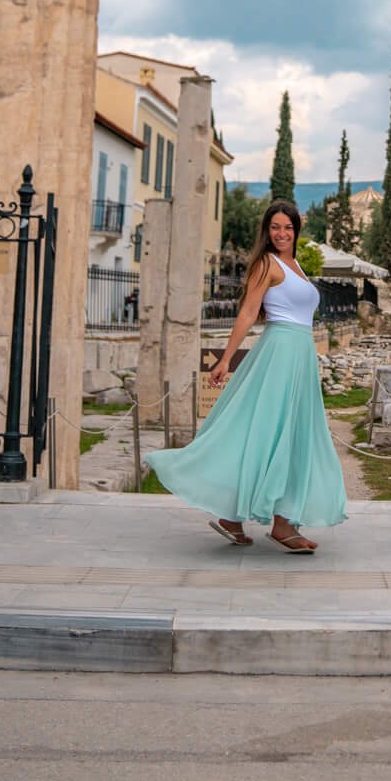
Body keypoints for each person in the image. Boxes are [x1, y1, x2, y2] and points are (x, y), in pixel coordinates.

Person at [145, 199, 347, 553]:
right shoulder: (266, 264)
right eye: (275, 228)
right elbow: (248, 313)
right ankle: (248, 517)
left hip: (300, 357)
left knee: (293, 436)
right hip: (279, 355)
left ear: (297, 229)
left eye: (287, 227)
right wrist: (225, 359)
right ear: (267, 232)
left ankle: (276, 522)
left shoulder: (295, 264)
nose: (281, 233)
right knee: (264, 432)